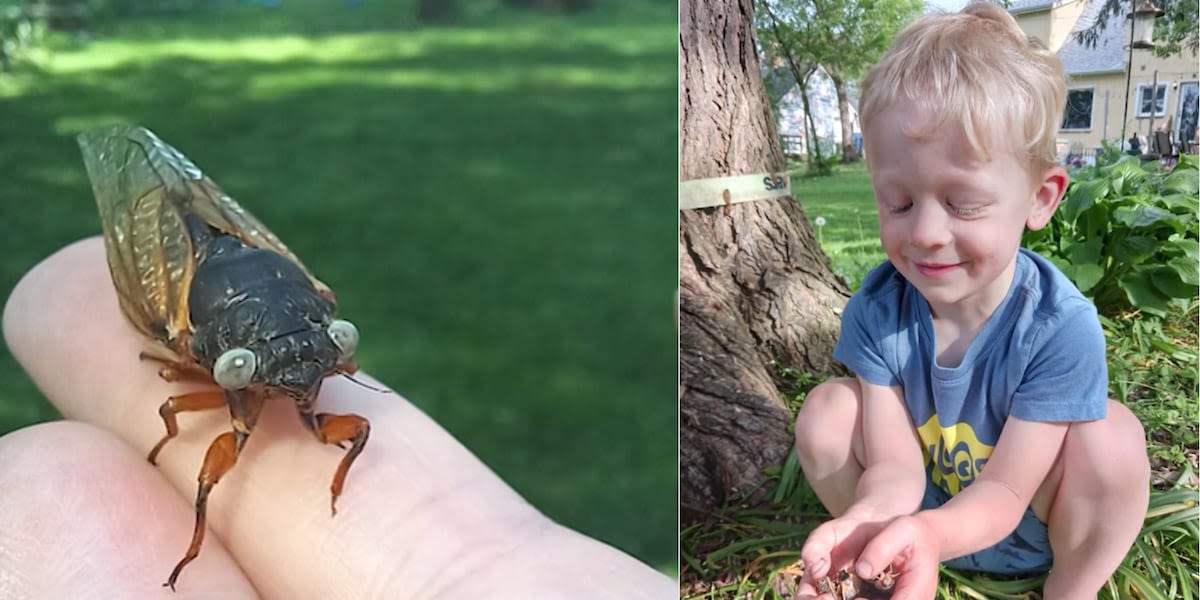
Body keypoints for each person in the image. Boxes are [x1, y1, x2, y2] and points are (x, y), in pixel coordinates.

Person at [0, 238, 674, 599]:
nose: (306, 380)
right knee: (190, 438)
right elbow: (176, 398)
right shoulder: (200, 361)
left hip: (269, 296)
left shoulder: (316, 364)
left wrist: (336, 477)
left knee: (353, 430)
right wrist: (175, 408)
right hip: (197, 295)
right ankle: (193, 550)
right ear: (219, 362)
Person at [791, 4, 1149, 599]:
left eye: (963, 204)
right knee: (829, 409)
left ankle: (1071, 588)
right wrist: (871, 521)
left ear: (1040, 198)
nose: (926, 232)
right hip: (919, 519)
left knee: (1111, 437)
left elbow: (1008, 493)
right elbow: (894, 468)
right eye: (899, 203)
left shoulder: (1058, 326)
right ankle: (881, 563)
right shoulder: (878, 312)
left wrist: (930, 534)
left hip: (1025, 521)